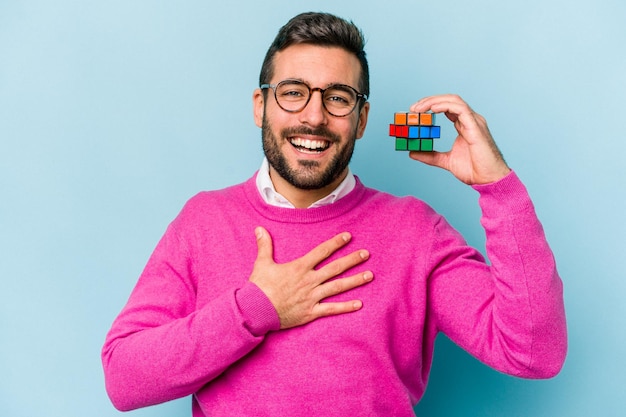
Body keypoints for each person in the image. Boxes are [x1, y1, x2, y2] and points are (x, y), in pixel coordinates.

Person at [102, 11, 567, 417]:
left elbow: (533, 352)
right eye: (293, 92)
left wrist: (497, 187)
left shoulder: (415, 231)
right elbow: (124, 379)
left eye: (338, 97)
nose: (314, 116)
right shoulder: (203, 221)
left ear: (361, 119)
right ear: (260, 106)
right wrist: (255, 308)